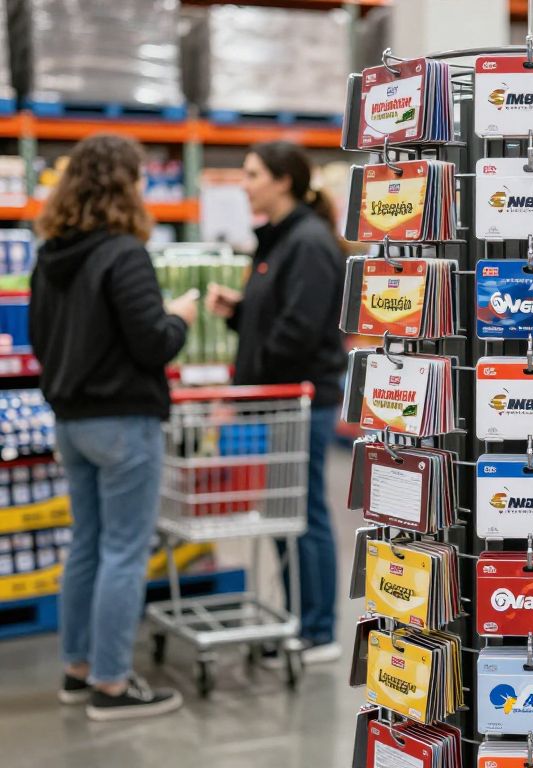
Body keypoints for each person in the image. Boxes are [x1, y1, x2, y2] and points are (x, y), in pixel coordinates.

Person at [29, 134, 197, 720]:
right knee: (125, 552)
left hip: (71, 423)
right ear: (126, 184)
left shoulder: (50, 254)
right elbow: (152, 342)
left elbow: (38, 342)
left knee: (87, 546)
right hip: (124, 422)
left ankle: (77, 671)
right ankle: (112, 684)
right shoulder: (124, 253)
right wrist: (179, 318)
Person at [206, 141, 345, 663]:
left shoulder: (306, 243)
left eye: (252, 174)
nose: (245, 184)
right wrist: (241, 311)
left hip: (302, 398)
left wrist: (242, 391)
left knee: (303, 512)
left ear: (283, 179)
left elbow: (298, 333)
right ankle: (297, 621)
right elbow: (279, 318)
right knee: (287, 512)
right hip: (283, 398)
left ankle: (318, 630)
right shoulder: (280, 241)